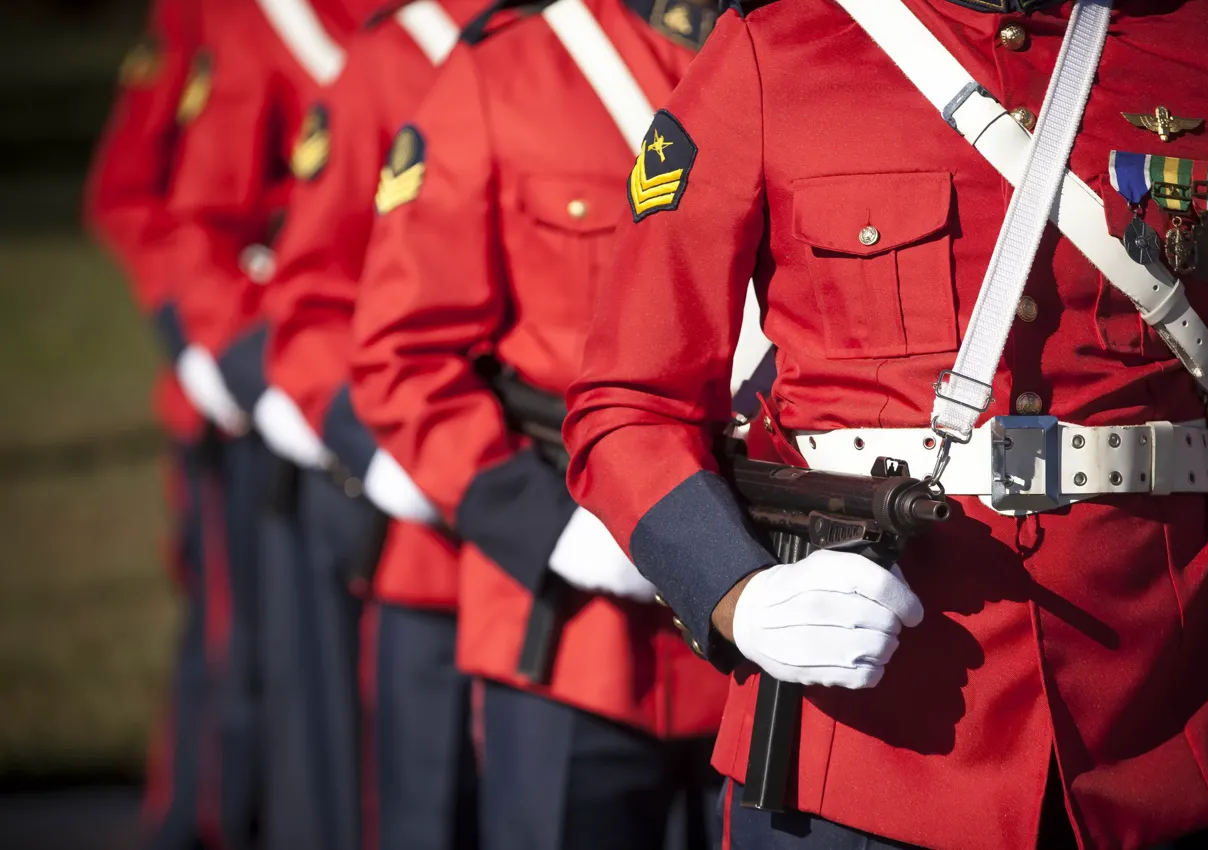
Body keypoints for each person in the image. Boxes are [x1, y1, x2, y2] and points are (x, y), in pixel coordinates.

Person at [562, 0, 1208, 848]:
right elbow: (630, 402)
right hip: (859, 746)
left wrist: (1157, 524)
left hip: (1150, 739)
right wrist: (738, 593)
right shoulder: (778, 48)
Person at [347, 0, 769, 845]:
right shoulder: (513, 67)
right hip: (576, 638)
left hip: (779, 631)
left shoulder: (821, 57)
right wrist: (548, 529)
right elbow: (404, 355)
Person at [257, 1, 488, 847]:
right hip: (445, 536)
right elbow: (312, 301)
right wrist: (382, 446)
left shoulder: (685, 39)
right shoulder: (399, 56)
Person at [160, 1, 360, 847]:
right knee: (265, 674)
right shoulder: (262, 22)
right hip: (294, 394)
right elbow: (195, 222)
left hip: (413, 394)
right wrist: (246, 368)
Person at [84, 3, 227, 848]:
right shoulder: (209, 20)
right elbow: (126, 194)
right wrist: (202, 341)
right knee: (226, 636)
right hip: (232, 382)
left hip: (350, 396)